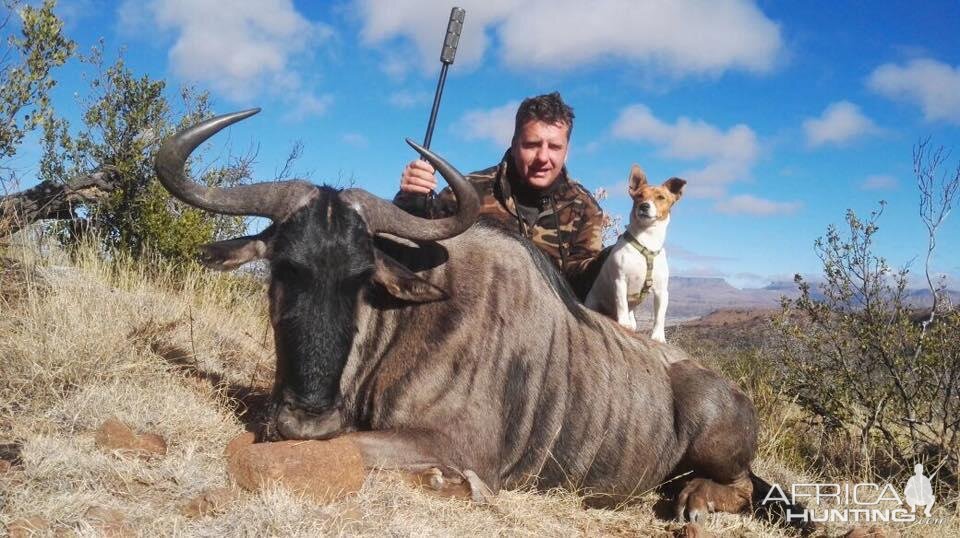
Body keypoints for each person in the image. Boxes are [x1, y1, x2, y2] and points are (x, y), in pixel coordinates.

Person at [394, 92, 605, 299]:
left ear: (566, 151)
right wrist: (410, 198)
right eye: (531, 144)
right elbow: (411, 249)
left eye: (554, 147)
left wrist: (620, 259)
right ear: (513, 145)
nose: (543, 157)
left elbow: (586, 283)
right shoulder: (465, 193)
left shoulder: (585, 209)